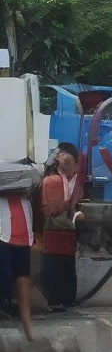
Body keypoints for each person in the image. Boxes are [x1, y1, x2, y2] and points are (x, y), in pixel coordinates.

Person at [40, 143, 84, 311]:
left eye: (68, 162)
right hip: (52, 233)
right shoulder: (52, 180)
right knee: (53, 269)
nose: (63, 167)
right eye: (61, 162)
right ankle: (55, 301)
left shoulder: (78, 185)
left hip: (69, 236)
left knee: (67, 269)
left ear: (77, 166)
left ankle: (67, 301)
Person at [0, 161, 41, 342]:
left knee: (23, 282)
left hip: (23, 240)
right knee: (5, 283)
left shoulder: (25, 197)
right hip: (4, 238)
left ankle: (28, 330)